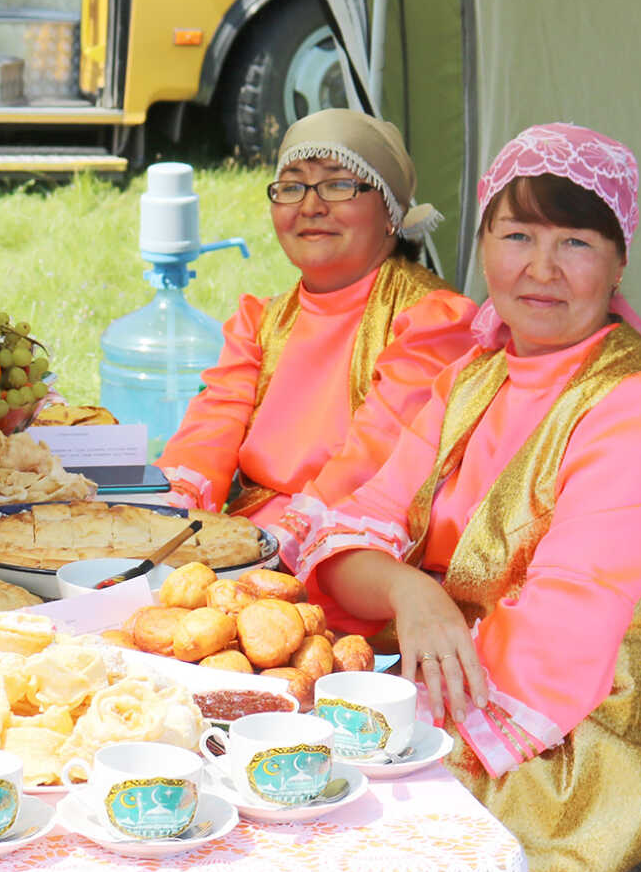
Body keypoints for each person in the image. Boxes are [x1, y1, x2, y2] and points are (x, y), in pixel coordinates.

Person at [290, 123, 641, 872]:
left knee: (313, 847)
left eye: (575, 242)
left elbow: (562, 636)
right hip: (435, 692)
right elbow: (354, 530)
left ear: (619, 258)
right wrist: (409, 594)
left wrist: (386, 736)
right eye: (516, 234)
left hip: (560, 754)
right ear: (482, 241)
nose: (540, 269)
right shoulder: (477, 376)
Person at [155, 109, 475, 565]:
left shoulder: (430, 318)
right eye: (291, 186)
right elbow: (210, 428)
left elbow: (380, 450)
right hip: (248, 538)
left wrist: (275, 543)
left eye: (338, 184)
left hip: (358, 549)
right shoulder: (261, 321)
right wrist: (170, 512)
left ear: (391, 211)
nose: (310, 206)